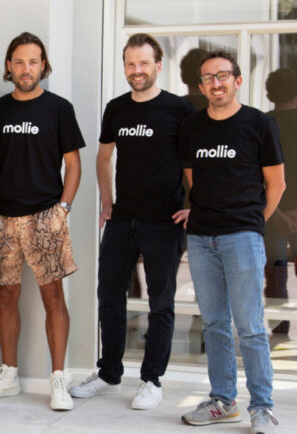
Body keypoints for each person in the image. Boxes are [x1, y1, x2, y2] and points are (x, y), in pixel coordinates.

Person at [69, 33, 195, 410]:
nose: (136, 70)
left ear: (158, 66)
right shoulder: (116, 108)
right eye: (130, 64)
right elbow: (103, 157)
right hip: (123, 220)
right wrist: (107, 202)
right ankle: (109, 372)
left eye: (143, 63)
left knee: (160, 303)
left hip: (164, 221)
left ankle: (151, 379)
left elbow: (195, 163)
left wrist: (196, 206)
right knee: (109, 297)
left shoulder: (180, 109)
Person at [0, 31, 82, 411]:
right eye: (19, 61)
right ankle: (8, 375)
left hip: (45, 217)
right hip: (0, 217)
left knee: (53, 297)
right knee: (5, 295)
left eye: (33, 62)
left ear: (43, 66)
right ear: (9, 65)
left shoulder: (58, 109)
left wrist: (62, 209)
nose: (25, 68)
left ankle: (59, 379)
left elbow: (74, 164)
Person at [179, 51, 284, 434]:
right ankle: (223, 401)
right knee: (214, 324)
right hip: (201, 238)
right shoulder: (192, 127)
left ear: (237, 81)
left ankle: (262, 407)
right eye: (208, 78)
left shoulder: (259, 124)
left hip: (242, 236)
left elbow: (276, 184)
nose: (216, 83)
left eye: (223, 75)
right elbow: (193, 177)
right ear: (201, 85)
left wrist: (250, 223)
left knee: (251, 326)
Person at [263, 68, 297, 335]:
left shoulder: (261, 124)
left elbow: (254, 175)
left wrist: (276, 213)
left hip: (271, 211)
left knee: (275, 272)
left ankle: (280, 330)